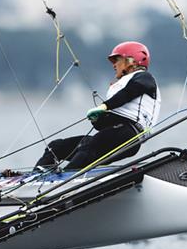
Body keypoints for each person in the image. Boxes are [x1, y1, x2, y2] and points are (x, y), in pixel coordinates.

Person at [36, 41, 161, 171]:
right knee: (55, 147)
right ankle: (34, 178)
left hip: (129, 135)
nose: (114, 65)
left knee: (88, 146)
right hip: (116, 132)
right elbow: (105, 126)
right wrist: (98, 119)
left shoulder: (144, 77)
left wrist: (104, 106)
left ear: (131, 61)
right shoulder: (122, 84)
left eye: (117, 60)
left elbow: (129, 93)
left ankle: (63, 181)